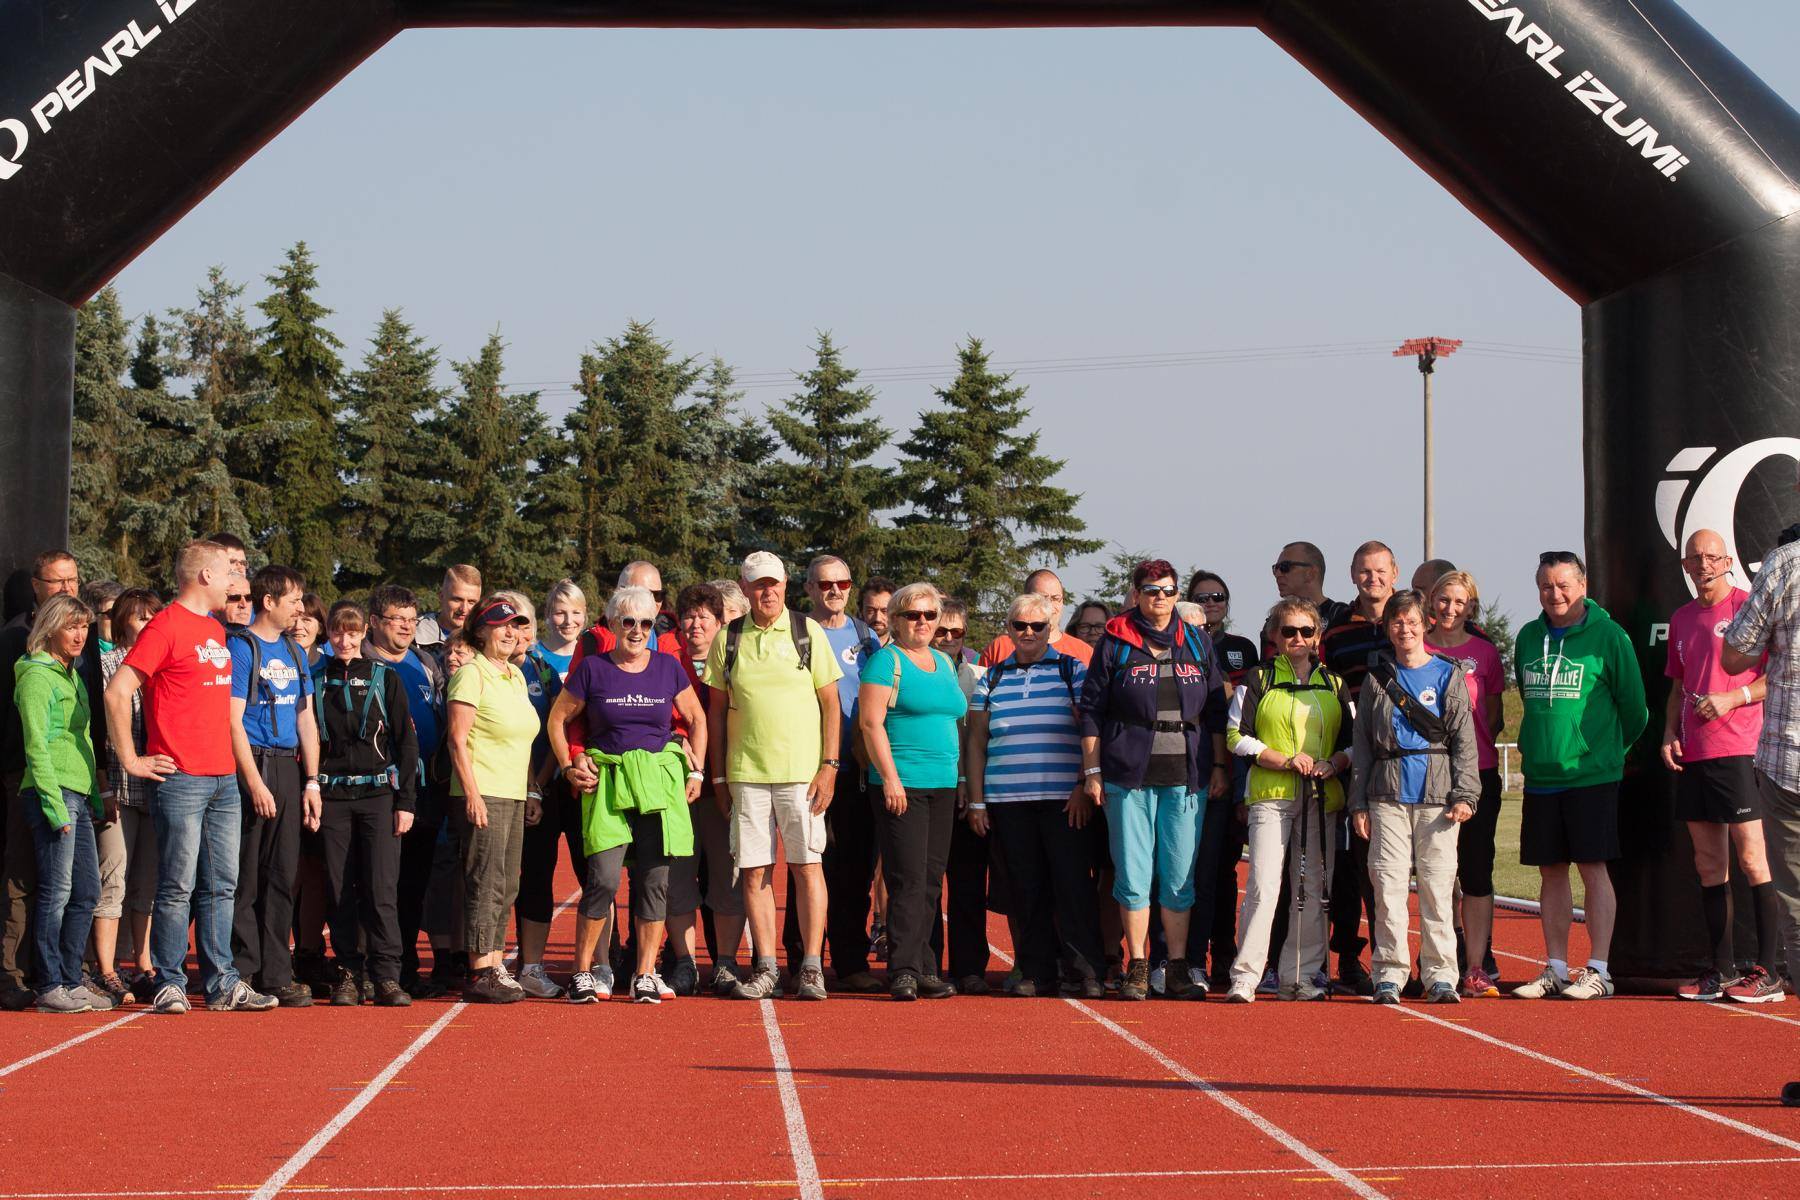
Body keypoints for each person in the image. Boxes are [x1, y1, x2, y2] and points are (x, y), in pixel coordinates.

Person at [106, 540, 275, 1013]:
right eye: (228, 571)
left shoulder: (214, 629)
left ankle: (223, 983)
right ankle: (170, 982)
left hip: (222, 778)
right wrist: (132, 759)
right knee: (177, 885)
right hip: (181, 779)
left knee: (222, 885)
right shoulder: (165, 626)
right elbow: (118, 692)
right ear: (204, 576)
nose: (236, 581)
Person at [1079, 559, 1229, 1001]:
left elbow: (1216, 711)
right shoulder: (1115, 641)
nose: (1159, 598)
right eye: (1150, 590)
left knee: (1180, 876)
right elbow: (1092, 711)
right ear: (1136, 594)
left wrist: (1220, 767)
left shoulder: (1197, 641)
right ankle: (1139, 965)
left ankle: (1177, 966)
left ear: (1177, 594)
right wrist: (1092, 772)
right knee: (1133, 874)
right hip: (1129, 776)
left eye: (1167, 590)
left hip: (1187, 775)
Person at [550, 585, 706, 1004]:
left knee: (655, 881)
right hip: (609, 782)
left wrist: (697, 771)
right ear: (614, 624)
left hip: (657, 782)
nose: (637, 631)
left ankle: (645, 974)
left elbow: (696, 718)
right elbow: (557, 720)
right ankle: (582, 972)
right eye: (629, 622)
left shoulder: (668, 667)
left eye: (646, 623)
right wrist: (569, 766)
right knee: (602, 879)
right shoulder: (593, 668)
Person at [705, 552, 842, 1001]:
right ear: (744, 589)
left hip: (803, 776)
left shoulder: (808, 631)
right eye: (759, 584)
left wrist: (829, 766)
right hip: (746, 775)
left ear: (786, 584)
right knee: (753, 873)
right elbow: (716, 714)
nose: (768, 591)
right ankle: (766, 967)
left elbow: (831, 704)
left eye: (774, 583)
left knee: (807, 868)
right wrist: (720, 778)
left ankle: (811, 968)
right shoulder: (728, 638)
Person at [1512, 550, 1648, 1001]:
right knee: (1551, 871)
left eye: (1563, 585)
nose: (1555, 594)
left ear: (1583, 586)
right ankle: (1554, 967)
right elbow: (1528, 698)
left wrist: (1607, 753)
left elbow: (1635, 709)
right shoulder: (1528, 636)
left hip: (1591, 775)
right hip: (1541, 776)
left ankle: (1600, 969)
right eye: (1546, 586)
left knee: (1593, 868)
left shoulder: (1610, 636)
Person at [967, 592, 1104, 998]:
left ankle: (1086, 973)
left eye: (1037, 626)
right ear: (1008, 629)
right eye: (1020, 625)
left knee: (1073, 887)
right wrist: (977, 801)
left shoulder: (1072, 670)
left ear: (1050, 628)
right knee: (1026, 890)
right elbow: (976, 742)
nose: (1028, 632)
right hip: (1008, 802)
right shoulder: (991, 678)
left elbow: (1090, 731)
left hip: (1065, 801)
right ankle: (1036, 970)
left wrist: (1081, 785)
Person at [1349, 591, 1481, 1004]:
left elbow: (1464, 741)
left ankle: (1440, 975)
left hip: (1438, 797)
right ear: (1387, 628)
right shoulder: (1376, 679)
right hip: (1386, 794)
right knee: (1387, 888)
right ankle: (1389, 974)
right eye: (1396, 622)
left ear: (1426, 624)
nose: (1404, 629)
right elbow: (1363, 744)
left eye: (1411, 621)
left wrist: (1466, 794)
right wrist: (1358, 803)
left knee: (1437, 889)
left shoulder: (1447, 674)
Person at [1666, 531, 1779, 1002]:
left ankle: (1770, 971)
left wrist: (1734, 697)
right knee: (1710, 865)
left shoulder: (1748, 608)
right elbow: (1678, 686)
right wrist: (1669, 732)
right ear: (1686, 566)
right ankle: (1723, 970)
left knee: (1752, 859)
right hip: (1695, 754)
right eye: (1696, 558)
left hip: (1741, 751)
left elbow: (1778, 675)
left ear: (1728, 561)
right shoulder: (1681, 618)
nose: (1705, 564)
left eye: (1712, 557)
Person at [1224, 598, 1353, 1002]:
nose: (1298, 638)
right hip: (1271, 795)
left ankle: (1303, 975)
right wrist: (1282, 760)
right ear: (1275, 636)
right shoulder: (1258, 679)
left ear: (1317, 636)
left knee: (1314, 887)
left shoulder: (1334, 684)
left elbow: (1354, 743)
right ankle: (1246, 976)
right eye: (1289, 631)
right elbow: (1235, 736)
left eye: (1306, 631)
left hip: (1320, 797)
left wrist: (1334, 762)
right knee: (1264, 885)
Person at [0, 549, 107, 1011]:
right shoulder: (35, 676)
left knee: (87, 892)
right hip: (52, 793)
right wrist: (53, 803)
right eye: (71, 627)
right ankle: (48, 983)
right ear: (49, 628)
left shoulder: (73, 675)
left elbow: (83, 738)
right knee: (55, 891)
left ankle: (68, 975)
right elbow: (37, 746)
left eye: (84, 626)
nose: (80, 635)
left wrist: (96, 796)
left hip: (79, 793)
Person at [859, 582, 966, 1000]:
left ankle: (924, 966)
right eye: (912, 615)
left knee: (931, 880)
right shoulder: (886, 662)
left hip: (942, 784)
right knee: (906, 879)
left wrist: (959, 780)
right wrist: (889, 778)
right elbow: (870, 724)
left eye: (929, 615)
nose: (922, 622)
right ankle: (903, 969)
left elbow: (954, 720)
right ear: (896, 619)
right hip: (902, 784)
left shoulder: (944, 662)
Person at [1721, 484, 1800, 1025]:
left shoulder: (1784, 563)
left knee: (1795, 906)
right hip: (1783, 759)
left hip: (1788, 762)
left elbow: (1733, 656)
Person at [228, 565, 322, 1009]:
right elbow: (232, 721)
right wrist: (254, 782)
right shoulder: (242, 647)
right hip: (252, 765)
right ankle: (243, 971)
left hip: (287, 767)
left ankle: (276, 974)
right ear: (269, 602)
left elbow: (306, 718)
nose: (300, 609)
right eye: (294, 600)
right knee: (246, 875)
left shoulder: (295, 651)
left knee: (283, 874)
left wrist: (312, 782)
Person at [789, 555, 882, 993]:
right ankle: (799, 961)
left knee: (853, 871)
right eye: (825, 584)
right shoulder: (795, 632)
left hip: (855, 771)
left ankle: (850, 962)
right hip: (806, 768)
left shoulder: (866, 637)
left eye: (842, 583)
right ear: (809, 588)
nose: (834, 591)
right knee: (806, 865)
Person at [445, 597, 543, 1003]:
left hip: (513, 792)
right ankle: (479, 970)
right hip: (483, 790)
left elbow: (521, 736)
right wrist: (472, 794)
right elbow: (456, 739)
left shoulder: (515, 674)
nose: (510, 632)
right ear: (481, 631)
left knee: (505, 883)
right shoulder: (472, 674)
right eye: (501, 625)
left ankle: (495, 962)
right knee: (484, 881)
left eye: (515, 625)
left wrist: (531, 788)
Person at [1316, 539, 1400, 997]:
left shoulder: (1412, 622)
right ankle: (1351, 958)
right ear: (1352, 576)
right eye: (1365, 571)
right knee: (1352, 867)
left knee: (1414, 869)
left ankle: (1431, 963)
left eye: (1381, 570)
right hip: (1352, 761)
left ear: (1395, 573)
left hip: (1406, 761)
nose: (1373, 579)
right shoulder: (1335, 634)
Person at [364, 584, 452, 998]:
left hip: (424, 793)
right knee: (379, 885)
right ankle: (375, 968)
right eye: (397, 619)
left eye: (412, 620)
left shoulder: (425, 662)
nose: (406, 627)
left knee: (413, 886)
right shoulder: (361, 662)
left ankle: (406, 968)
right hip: (380, 793)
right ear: (375, 622)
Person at [1423, 570, 1508, 997]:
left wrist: (1471, 754)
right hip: (1429, 776)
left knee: (1476, 872)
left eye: (1460, 602)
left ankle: (1475, 965)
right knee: (1435, 874)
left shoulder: (1486, 653)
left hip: (1479, 774)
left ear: (1471, 606)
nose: (1451, 608)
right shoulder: (1417, 648)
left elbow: (1492, 717)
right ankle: (1436, 963)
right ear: (1431, 601)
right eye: (1444, 599)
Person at [494, 589, 575, 1000]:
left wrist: (538, 787)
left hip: (544, 789)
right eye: (510, 624)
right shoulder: (486, 670)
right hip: (504, 789)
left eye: (524, 624)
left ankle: (536, 966)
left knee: (545, 877)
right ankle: (502, 964)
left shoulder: (543, 670)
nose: (518, 633)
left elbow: (555, 730)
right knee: (511, 880)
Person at [1184, 570, 1259, 989]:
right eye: (1202, 597)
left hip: (1230, 772)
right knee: (1191, 870)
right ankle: (1185, 956)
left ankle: (1224, 953)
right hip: (1188, 772)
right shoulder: (1175, 646)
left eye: (1218, 596)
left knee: (1223, 871)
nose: (1211, 603)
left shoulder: (1242, 648)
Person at [672, 583, 747, 994]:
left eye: (705, 616)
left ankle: (725, 962)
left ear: (721, 623)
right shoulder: (665, 663)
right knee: (677, 878)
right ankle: (685, 964)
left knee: (728, 877)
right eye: (689, 616)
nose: (696, 624)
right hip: (675, 789)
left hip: (727, 786)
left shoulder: (737, 663)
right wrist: (673, 738)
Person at [97, 587, 161, 1002]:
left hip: (157, 791)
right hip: (118, 789)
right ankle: (106, 969)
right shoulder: (106, 666)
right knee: (112, 880)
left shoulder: (164, 666)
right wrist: (103, 787)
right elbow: (96, 732)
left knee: (147, 885)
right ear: (122, 622)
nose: (149, 622)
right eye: (140, 616)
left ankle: (144, 964)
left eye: (154, 615)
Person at [979, 569, 1094, 667]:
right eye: (1042, 599)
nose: (1050, 606)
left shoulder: (1084, 653)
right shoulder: (1000, 648)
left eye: (1055, 598)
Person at [413, 564, 483, 658]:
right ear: (441, 597)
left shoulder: (486, 638)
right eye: (457, 600)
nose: (464, 609)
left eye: (471, 602)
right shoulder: (414, 633)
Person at [292, 593, 328, 670]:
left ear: (320, 628)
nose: (297, 626)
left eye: (306, 620)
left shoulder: (332, 667)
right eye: (294, 619)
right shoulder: (272, 665)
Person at [858, 577, 896, 644]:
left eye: (884, 611)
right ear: (861, 611)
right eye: (870, 611)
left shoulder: (905, 648)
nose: (877, 618)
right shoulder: (847, 646)